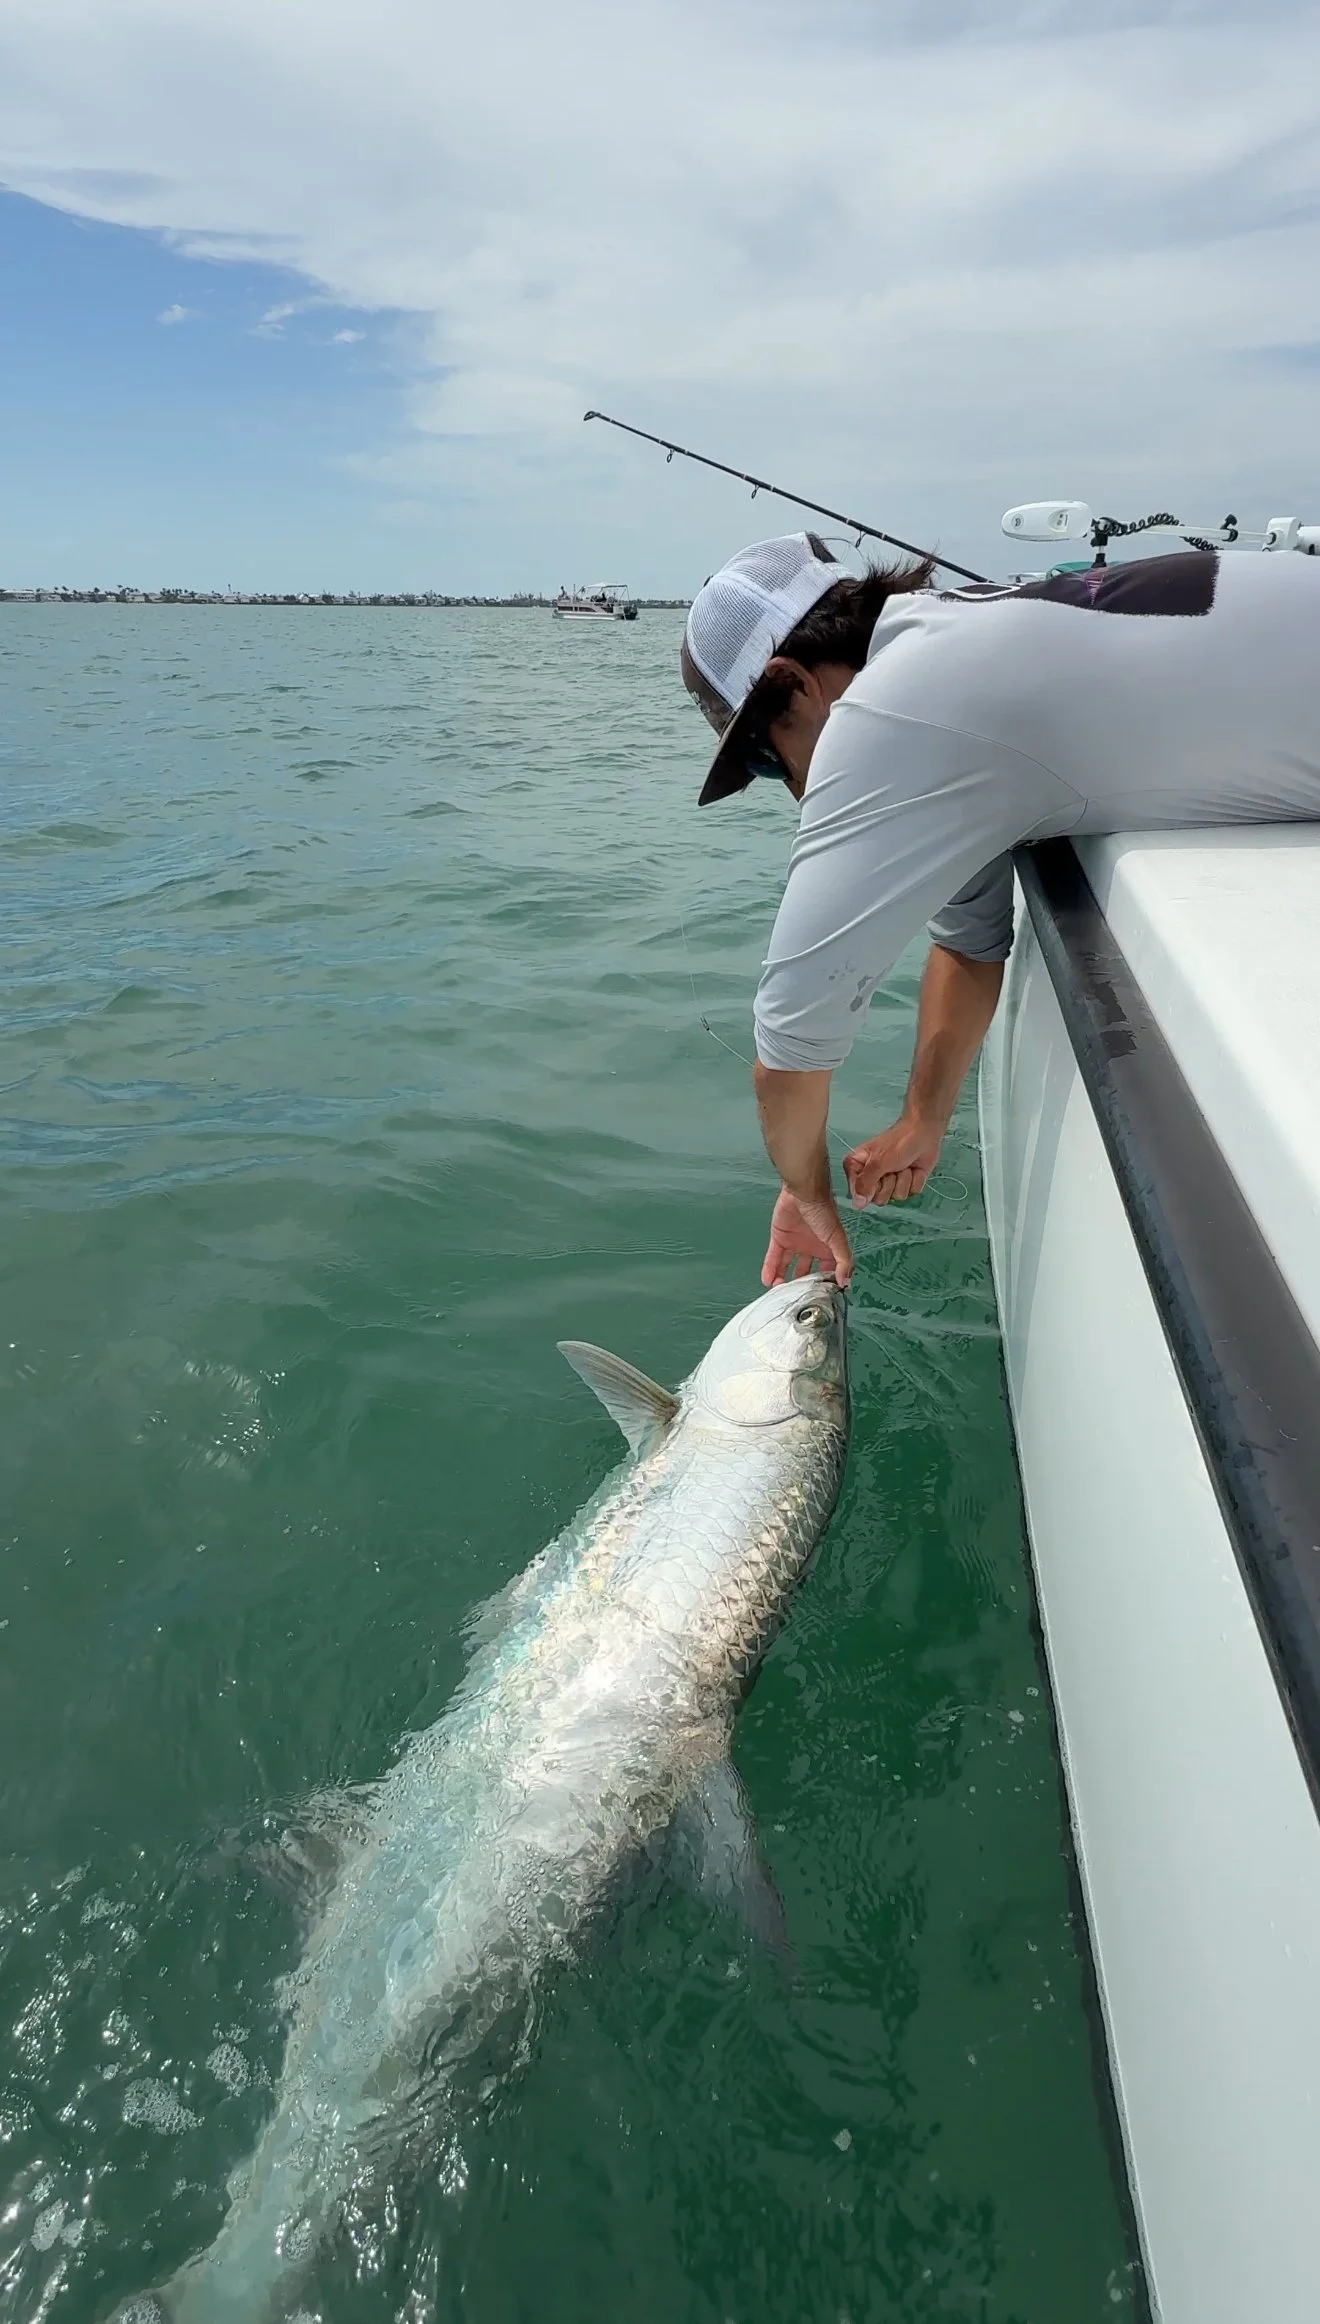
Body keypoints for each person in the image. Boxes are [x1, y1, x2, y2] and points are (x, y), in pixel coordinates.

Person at [679, 530, 1320, 1289]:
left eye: (762, 756)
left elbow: (788, 1049)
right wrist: (924, 1118)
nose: (787, 787)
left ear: (795, 682)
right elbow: (969, 945)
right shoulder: (951, 655)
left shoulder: (889, 713)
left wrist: (806, 1193)